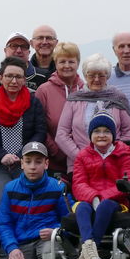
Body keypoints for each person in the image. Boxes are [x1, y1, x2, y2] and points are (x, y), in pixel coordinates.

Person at [70, 113, 130, 259]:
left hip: (116, 202)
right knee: (81, 208)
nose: (101, 135)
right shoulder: (82, 155)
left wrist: (102, 198)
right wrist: (94, 197)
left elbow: (129, 181)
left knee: (105, 205)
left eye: (106, 131)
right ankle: (91, 253)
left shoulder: (124, 153)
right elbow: (79, 183)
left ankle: (85, 255)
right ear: (91, 135)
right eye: (97, 131)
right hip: (89, 200)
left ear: (113, 135)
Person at [0, 142, 69, 259]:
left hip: (47, 240)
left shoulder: (58, 187)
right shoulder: (10, 188)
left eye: (38, 162)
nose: (33, 167)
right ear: (22, 164)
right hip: (22, 242)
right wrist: (12, 248)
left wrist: (55, 231)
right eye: (28, 162)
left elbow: (69, 221)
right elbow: (4, 222)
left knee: (51, 256)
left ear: (46, 164)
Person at [0, 57, 47, 205]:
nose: (14, 81)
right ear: (0, 78)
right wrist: (2, 155)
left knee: (28, 205)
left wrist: (21, 155)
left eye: (18, 77)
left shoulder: (33, 102)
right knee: (3, 205)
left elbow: (40, 132)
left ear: (24, 79)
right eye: (9, 76)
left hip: (26, 164)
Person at [55, 53, 130, 172]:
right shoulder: (74, 100)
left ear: (107, 76)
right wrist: (81, 157)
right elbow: (61, 134)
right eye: (92, 75)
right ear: (85, 76)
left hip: (114, 164)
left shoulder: (118, 98)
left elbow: (129, 132)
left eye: (101, 75)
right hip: (80, 165)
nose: (96, 79)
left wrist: (113, 155)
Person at [36, 42, 84, 175]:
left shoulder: (86, 90)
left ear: (78, 63)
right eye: (62, 62)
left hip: (84, 161)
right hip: (54, 163)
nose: (67, 66)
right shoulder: (44, 91)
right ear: (55, 63)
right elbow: (39, 126)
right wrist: (56, 151)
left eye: (71, 61)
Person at [0, 32, 47, 97]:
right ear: (5, 50)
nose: (19, 50)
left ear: (29, 52)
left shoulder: (43, 77)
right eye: (14, 46)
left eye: (23, 47)